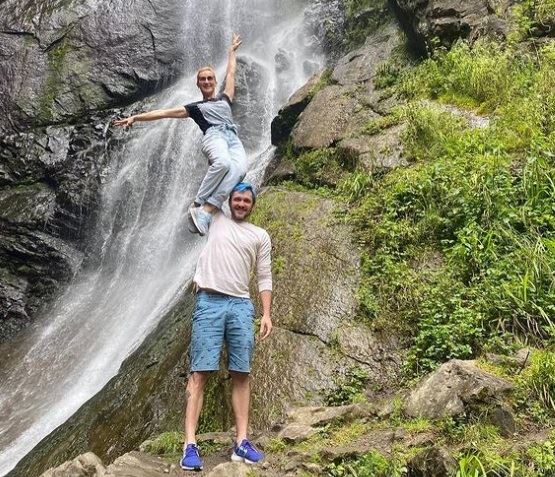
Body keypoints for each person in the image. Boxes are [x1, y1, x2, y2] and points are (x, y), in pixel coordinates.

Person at [113, 33, 247, 236]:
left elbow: (231, 73)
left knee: (239, 170)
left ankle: (208, 210)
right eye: (203, 79)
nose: (207, 81)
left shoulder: (225, 98)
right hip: (214, 136)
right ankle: (198, 203)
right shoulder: (193, 108)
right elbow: (163, 113)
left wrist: (231, 52)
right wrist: (135, 118)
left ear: (214, 81)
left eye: (210, 78)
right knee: (223, 163)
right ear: (198, 84)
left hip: (233, 138)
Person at [180, 182, 273, 471]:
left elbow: (264, 276)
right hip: (209, 301)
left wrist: (266, 314)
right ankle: (190, 445)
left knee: (242, 373)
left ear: (253, 204)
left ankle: (242, 442)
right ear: (229, 200)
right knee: (199, 373)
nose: (242, 204)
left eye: (247, 200)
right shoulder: (215, 218)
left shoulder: (260, 235)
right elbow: (209, 190)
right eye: (238, 199)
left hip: (241, 305)